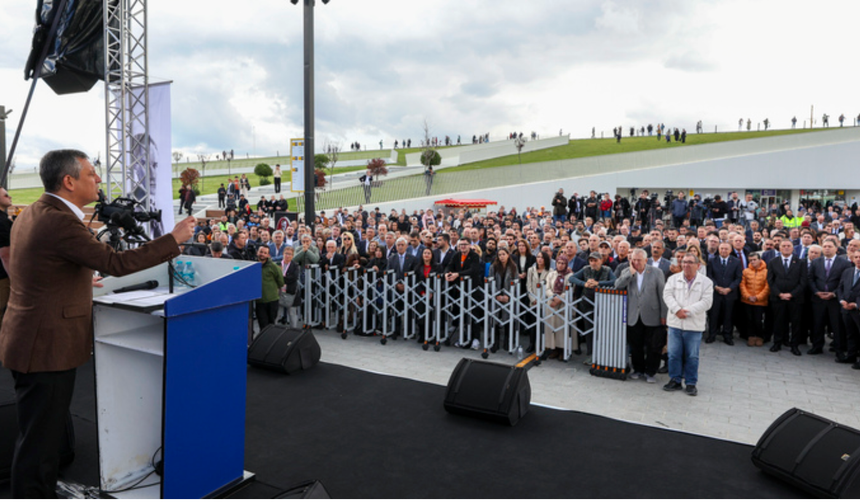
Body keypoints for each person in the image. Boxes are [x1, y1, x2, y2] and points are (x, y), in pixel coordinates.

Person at [0, 149, 194, 498]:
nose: (98, 179)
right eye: (92, 173)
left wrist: (71, 279)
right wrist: (173, 240)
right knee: (39, 445)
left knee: (39, 436)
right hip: (46, 347)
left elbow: (31, 263)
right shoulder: (60, 220)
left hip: (28, 338)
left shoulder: (33, 211)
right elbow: (115, 262)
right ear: (69, 181)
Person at [662, 252, 714, 397]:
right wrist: (677, 310)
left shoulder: (706, 282)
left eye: (690, 262)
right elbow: (667, 295)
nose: (686, 265)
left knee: (692, 356)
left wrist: (687, 311)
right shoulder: (673, 279)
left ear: (698, 265)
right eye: (684, 262)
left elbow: (706, 302)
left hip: (693, 325)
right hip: (675, 323)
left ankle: (691, 383)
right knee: (673, 354)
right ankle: (675, 380)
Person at [614, 249, 667, 383]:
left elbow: (662, 295)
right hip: (633, 315)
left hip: (652, 314)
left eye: (639, 260)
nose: (636, 262)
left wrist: (663, 314)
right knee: (636, 345)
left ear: (645, 260)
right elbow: (617, 286)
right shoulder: (627, 272)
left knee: (653, 346)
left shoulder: (656, 272)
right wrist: (630, 274)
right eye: (634, 260)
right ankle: (638, 369)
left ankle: (650, 371)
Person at [808, 240, 852, 355]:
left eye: (830, 246)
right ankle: (817, 347)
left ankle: (839, 350)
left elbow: (844, 282)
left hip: (834, 300)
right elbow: (810, 279)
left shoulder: (844, 263)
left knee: (837, 326)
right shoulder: (816, 262)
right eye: (825, 246)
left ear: (836, 249)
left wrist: (834, 293)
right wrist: (816, 292)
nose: (827, 248)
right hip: (818, 299)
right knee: (818, 324)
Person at [767, 239, 807, 355]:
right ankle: (777, 343)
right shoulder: (773, 262)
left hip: (795, 299)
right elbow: (770, 280)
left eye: (788, 246)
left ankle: (794, 345)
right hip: (778, 298)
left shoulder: (800, 262)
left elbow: (803, 281)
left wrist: (792, 294)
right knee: (778, 321)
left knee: (795, 323)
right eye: (783, 246)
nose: (786, 247)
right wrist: (779, 294)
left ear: (793, 248)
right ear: (779, 248)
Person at [706, 242, 743, 345]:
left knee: (728, 316)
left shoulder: (736, 262)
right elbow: (709, 275)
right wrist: (716, 286)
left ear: (730, 250)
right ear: (719, 249)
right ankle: (712, 335)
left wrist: (729, 288)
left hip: (729, 294)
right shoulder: (712, 261)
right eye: (722, 248)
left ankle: (727, 336)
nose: (723, 251)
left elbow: (738, 277)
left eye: (726, 249)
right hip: (715, 293)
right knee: (713, 315)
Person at [544, 254, 573, 360]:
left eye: (563, 263)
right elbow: (547, 288)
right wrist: (553, 297)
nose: (560, 265)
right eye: (559, 263)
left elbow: (569, 289)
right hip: (551, 303)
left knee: (562, 329)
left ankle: (563, 350)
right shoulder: (551, 274)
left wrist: (559, 299)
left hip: (563, 305)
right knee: (552, 327)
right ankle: (554, 349)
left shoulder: (570, 275)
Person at [740, 252, 769, 347]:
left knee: (758, 320)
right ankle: (751, 336)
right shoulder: (746, 271)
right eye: (750, 260)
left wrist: (758, 297)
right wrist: (747, 296)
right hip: (747, 300)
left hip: (760, 301)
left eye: (754, 260)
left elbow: (767, 287)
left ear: (759, 260)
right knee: (749, 319)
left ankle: (760, 336)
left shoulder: (766, 272)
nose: (752, 262)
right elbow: (742, 285)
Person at [836, 250, 860, 367]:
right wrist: (842, 300)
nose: (859, 260)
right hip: (846, 309)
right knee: (850, 334)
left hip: (857, 310)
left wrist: (856, 304)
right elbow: (840, 288)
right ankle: (851, 355)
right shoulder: (848, 271)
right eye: (856, 257)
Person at [254, 245, 284, 337]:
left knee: (271, 324)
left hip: (272, 300)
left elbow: (281, 282)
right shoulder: (253, 265)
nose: (262, 254)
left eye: (265, 253)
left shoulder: (274, 267)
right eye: (261, 252)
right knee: (262, 324)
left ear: (268, 255)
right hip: (259, 301)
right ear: (257, 252)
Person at [0, 187, 13, 326]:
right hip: (3, 277)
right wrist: (14, 278)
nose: (10, 197)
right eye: (5, 195)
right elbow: (5, 254)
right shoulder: (2, 222)